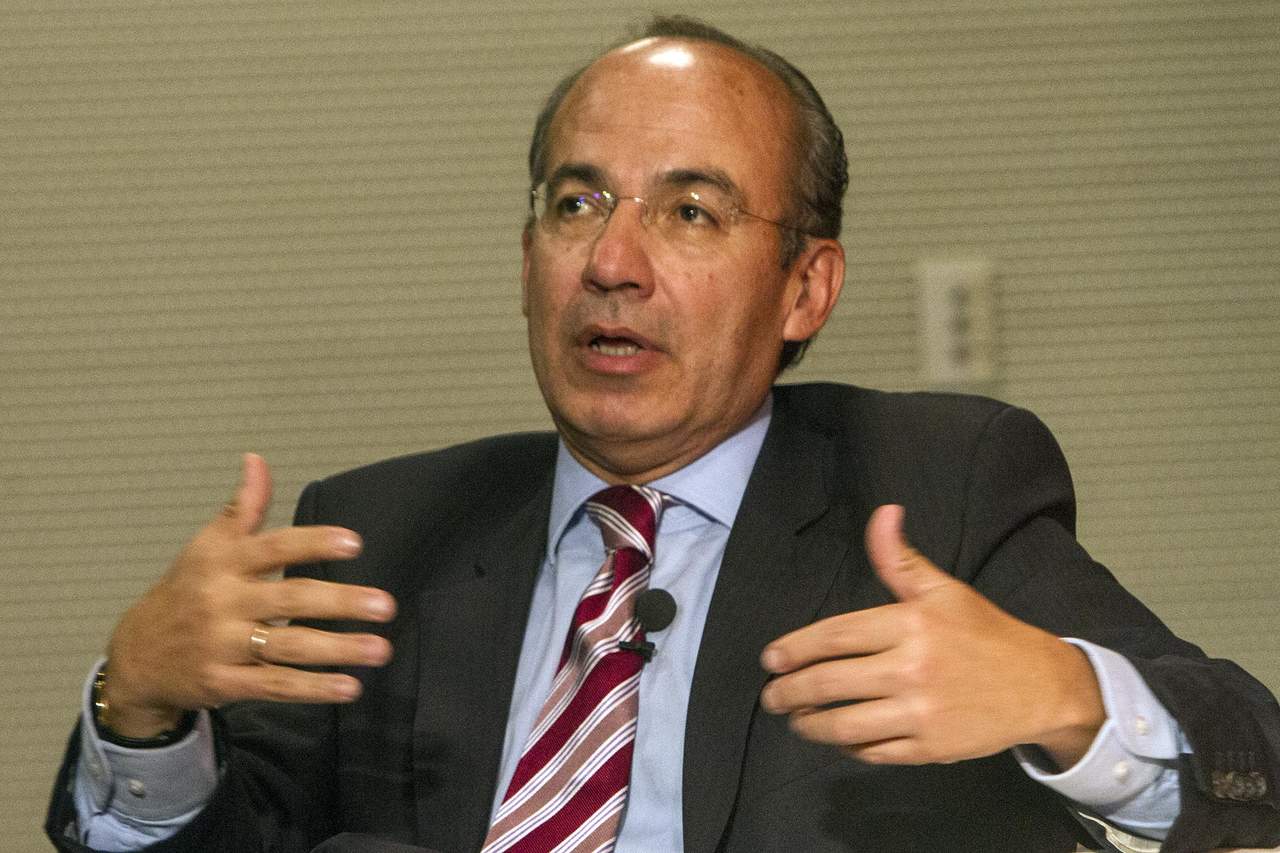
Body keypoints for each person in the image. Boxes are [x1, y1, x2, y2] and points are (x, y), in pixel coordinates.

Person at [46, 15, 1279, 853]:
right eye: (575, 202)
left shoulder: (932, 488)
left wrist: (1059, 692)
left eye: (690, 211)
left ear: (805, 289)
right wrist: (140, 704)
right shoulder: (378, 536)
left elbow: (1252, 759)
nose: (612, 261)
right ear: (525, 259)